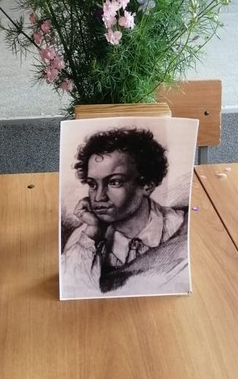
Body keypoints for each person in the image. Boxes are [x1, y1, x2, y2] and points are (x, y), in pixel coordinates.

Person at [61, 127, 190, 297]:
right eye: (92, 184)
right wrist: (93, 231)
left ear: (147, 185)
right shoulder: (84, 239)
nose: (98, 197)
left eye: (114, 182)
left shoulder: (182, 230)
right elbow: (74, 293)